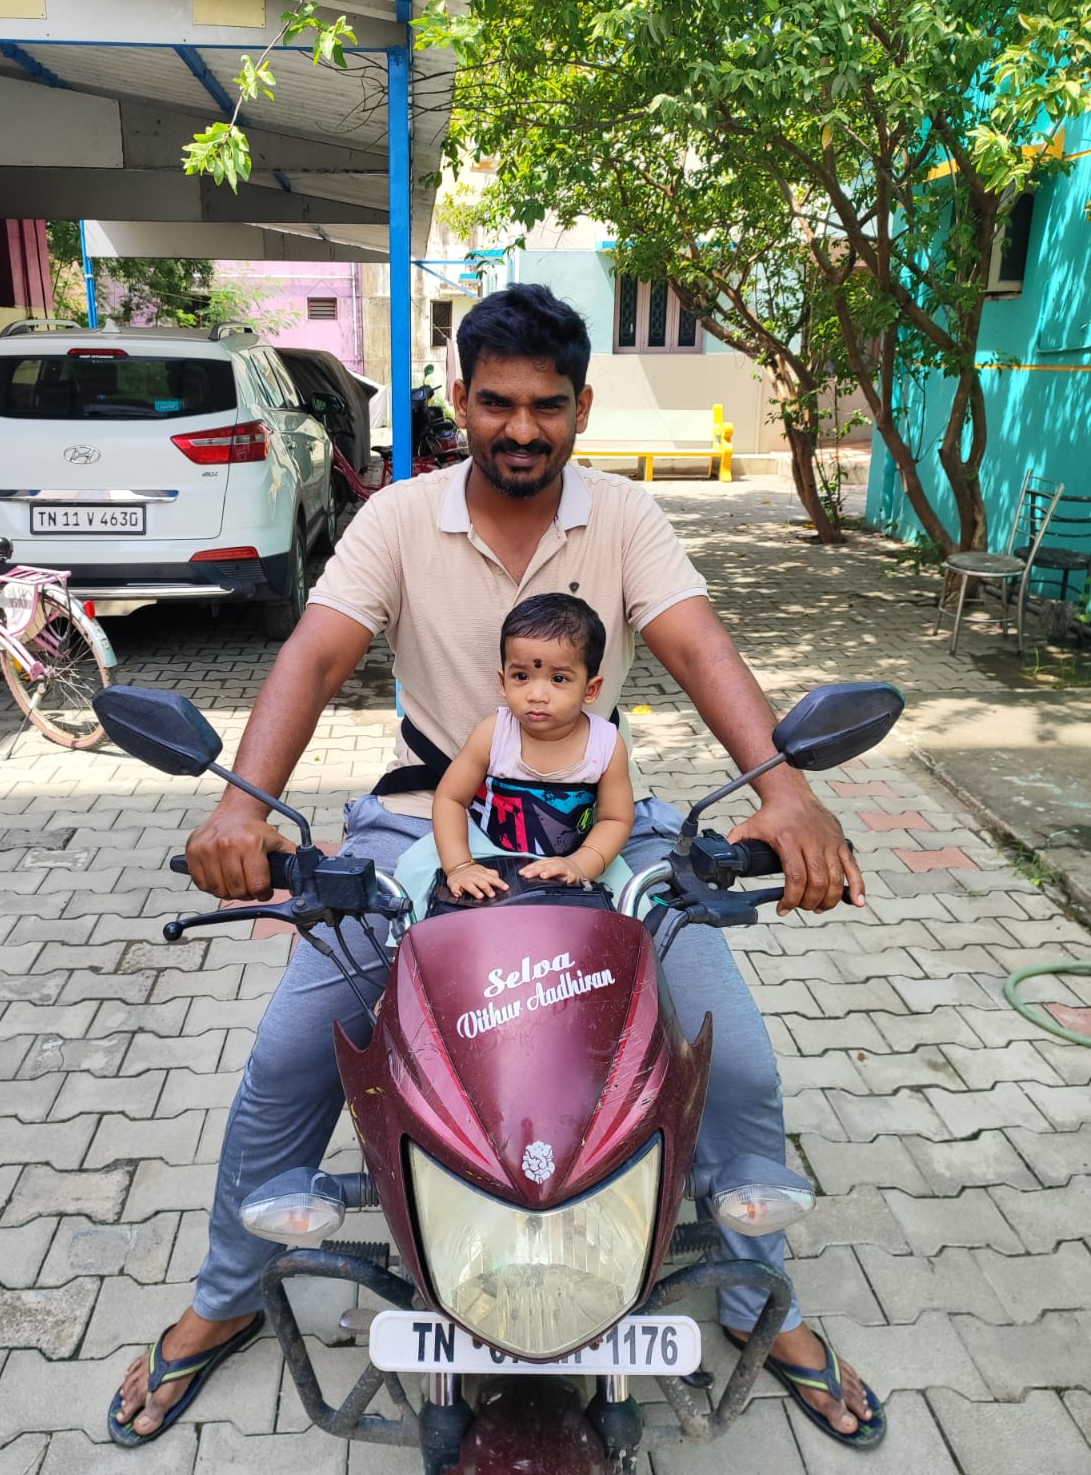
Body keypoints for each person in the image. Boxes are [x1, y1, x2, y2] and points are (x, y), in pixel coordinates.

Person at [109, 283, 884, 1452]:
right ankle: (224, 1297)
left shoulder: (625, 517)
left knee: (734, 1063)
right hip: (428, 819)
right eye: (498, 403)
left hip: (601, 825)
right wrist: (241, 805)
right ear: (461, 399)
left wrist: (783, 789)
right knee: (289, 1055)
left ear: (581, 407)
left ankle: (755, 1299)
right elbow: (312, 658)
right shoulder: (397, 519)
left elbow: (698, 647)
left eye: (546, 406)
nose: (522, 428)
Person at [431, 592, 634, 902]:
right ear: (503, 682)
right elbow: (450, 799)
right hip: (484, 849)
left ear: (591, 689)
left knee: (634, 903)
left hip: (578, 855)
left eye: (559, 678)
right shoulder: (493, 734)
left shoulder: (605, 745)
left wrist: (580, 864)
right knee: (413, 880)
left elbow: (614, 819)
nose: (537, 694)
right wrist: (460, 866)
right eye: (522, 676)